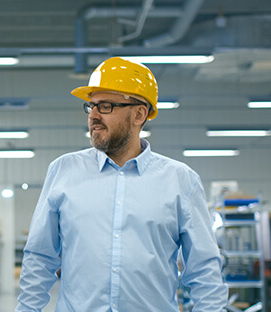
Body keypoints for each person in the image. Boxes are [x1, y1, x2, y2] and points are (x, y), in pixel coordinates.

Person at [16, 57, 228, 311]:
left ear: (139, 114)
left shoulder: (181, 181)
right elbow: (40, 258)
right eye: (91, 106)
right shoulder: (63, 171)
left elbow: (204, 269)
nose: (93, 115)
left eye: (105, 106)